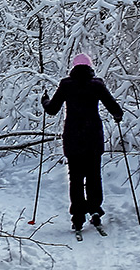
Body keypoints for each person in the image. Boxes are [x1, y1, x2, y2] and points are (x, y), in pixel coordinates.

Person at [41, 53, 124, 235]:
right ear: (90, 67)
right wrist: (118, 116)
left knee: (75, 180)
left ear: (73, 67)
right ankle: (95, 211)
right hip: (93, 138)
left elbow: (52, 110)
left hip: (73, 139)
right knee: (94, 176)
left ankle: (78, 218)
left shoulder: (66, 85)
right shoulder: (97, 85)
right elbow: (114, 108)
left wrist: (44, 101)